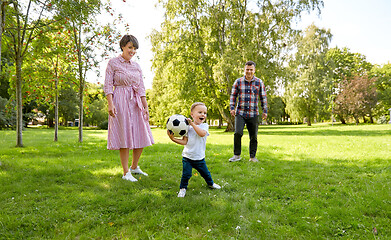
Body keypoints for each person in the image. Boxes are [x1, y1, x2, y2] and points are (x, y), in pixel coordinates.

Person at [104, 34, 154, 182]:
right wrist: (110, 104)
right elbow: (108, 85)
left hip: (136, 102)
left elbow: (141, 88)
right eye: (130, 47)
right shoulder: (113, 63)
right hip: (120, 100)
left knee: (141, 134)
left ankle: (134, 167)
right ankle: (126, 173)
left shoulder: (137, 66)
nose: (132, 51)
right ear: (123, 47)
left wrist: (145, 107)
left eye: (134, 48)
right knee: (124, 135)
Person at [167, 102, 221, 197]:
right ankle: (182, 189)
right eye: (200, 112)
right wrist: (173, 139)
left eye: (204, 113)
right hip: (187, 157)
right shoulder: (187, 128)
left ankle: (211, 183)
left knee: (206, 174)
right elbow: (184, 142)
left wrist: (192, 124)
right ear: (192, 114)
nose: (203, 114)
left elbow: (201, 134)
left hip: (199, 158)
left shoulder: (204, 126)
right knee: (186, 175)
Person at [229, 61, 267, 163]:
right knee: (238, 133)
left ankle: (252, 157)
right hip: (240, 112)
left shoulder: (259, 82)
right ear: (244, 70)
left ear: (254, 70)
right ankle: (237, 155)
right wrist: (232, 108)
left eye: (251, 69)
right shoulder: (238, 82)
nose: (249, 71)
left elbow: (263, 97)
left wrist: (265, 110)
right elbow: (233, 96)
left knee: (253, 136)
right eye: (247, 69)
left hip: (253, 113)